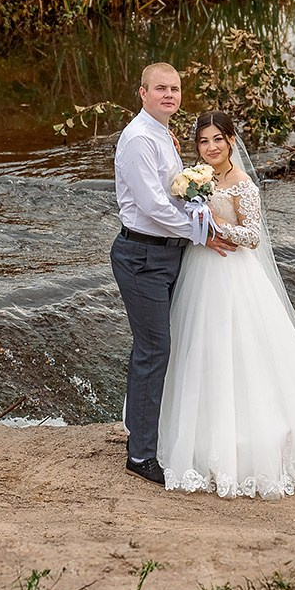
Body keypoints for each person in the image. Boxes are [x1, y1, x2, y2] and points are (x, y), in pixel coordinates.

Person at [156, 109, 295, 498]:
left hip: (234, 275)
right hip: (199, 271)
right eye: (203, 141)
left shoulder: (242, 183)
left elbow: (252, 236)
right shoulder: (194, 180)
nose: (211, 147)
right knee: (201, 351)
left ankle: (251, 446)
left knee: (244, 353)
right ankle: (198, 440)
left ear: (232, 141)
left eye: (218, 139)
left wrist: (214, 225)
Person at [112, 62, 236, 485]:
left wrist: (200, 221)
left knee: (155, 347)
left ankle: (140, 431)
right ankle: (141, 455)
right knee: (154, 349)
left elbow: (175, 193)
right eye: (160, 88)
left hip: (167, 254)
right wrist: (202, 232)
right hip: (142, 255)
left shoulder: (164, 134)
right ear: (142, 92)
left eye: (175, 89)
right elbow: (152, 206)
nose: (169, 95)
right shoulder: (137, 139)